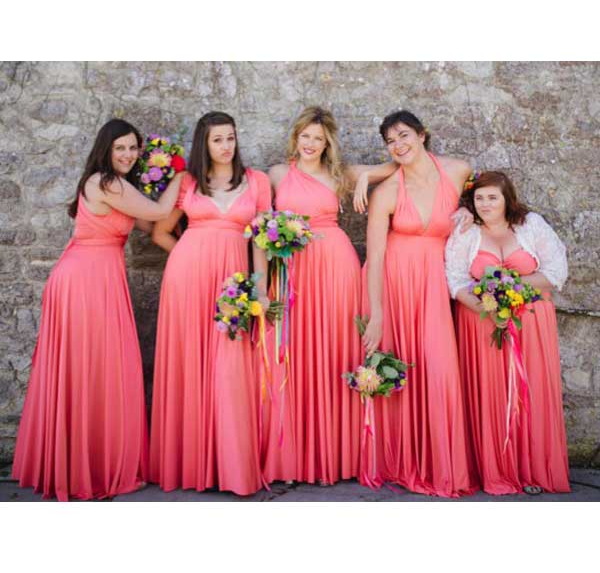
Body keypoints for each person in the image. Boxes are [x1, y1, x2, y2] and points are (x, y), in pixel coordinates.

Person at [12, 118, 184, 501]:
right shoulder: (106, 182)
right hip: (86, 281)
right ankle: (84, 470)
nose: (128, 154)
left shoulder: (117, 186)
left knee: (98, 368)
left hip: (97, 278)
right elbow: (158, 211)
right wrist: (182, 176)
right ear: (105, 150)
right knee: (92, 367)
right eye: (120, 147)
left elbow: (147, 224)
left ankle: (87, 464)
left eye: (133, 148)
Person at [263, 106, 397, 486]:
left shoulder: (340, 173)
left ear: (328, 143)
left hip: (334, 265)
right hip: (292, 269)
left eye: (318, 139)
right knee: (293, 351)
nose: (310, 144)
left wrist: (365, 177)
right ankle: (294, 454)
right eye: (305, 136)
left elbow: (394, 166)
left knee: (333, 348)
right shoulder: (277, 173)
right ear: (296, 138)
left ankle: (335, 453)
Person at [149, 111, 272, 495]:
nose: (226, 146)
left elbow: (261, 240)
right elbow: (161, 232)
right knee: (190, 361)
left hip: (232, 285)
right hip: (187, 281)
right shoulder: (188, 182)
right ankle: (189, 464)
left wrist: (261, 288)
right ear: (204, 143)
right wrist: (189, 261)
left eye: (230, 138)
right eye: (218, 139)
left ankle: (231, 468)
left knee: (229, 367)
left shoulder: (256, 181)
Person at [361, 109, 477, 497]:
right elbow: (375, 255)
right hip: (395, 283)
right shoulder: (387, 192)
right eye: (390, 141)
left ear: (422, 135)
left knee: (439, 369)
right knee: (403, 368)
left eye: (404, 136)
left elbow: (486, 196)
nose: (398, 145)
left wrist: (467, 208)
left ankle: (443, 467)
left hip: (436, 283)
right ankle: (403, 460)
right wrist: (377, 313)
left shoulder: (457, 171)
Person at [445, 170, 570, 494]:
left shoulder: (530, 225)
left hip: (531, 324)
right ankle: (496, 469)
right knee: (492, 395)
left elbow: (556, 272)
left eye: (492, 197)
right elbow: (455, 281)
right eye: (479, 198)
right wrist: (486, 306)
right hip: (481, 324)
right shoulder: (466, 232)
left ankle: (533, 470)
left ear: (506, 199)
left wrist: (507, 285)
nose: (485, 204)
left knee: (531, 393)